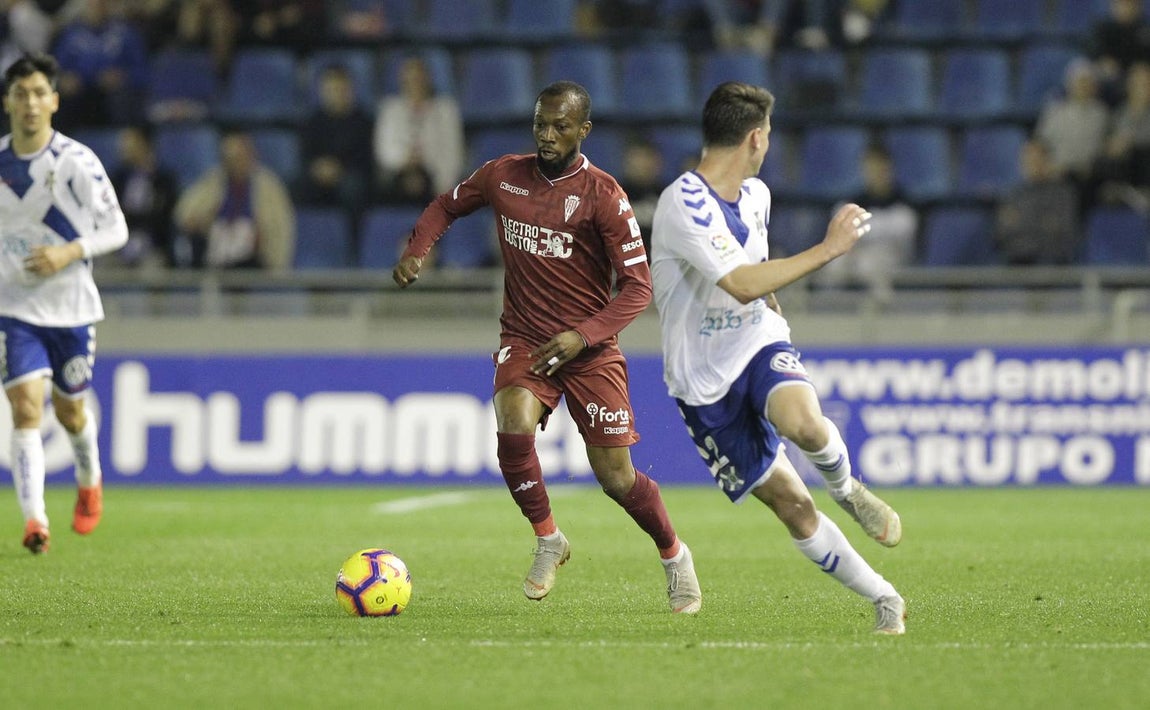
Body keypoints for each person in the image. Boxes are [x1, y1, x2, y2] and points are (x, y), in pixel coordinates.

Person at [392, 81, 702, 613]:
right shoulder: (502, 175)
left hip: (590, 349)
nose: (548, 135)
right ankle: (548, 538)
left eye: (561, 126)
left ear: (584, 130)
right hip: (527, 339)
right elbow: (447, 205)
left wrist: (583, 335)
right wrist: (417, 251)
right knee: (511, 417)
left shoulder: (604, 195)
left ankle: (674, 555)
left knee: (615, 477)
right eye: (541, 123)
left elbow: (639, 287)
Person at [649, 81, 905, 633]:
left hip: (756, 341)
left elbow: (754, 276)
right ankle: (885, 598)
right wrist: (828, 249)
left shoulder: (756, 195)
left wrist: (774, 308)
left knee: (806, 425)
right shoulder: (683, 203)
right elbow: (740, 280)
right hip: (701, 383)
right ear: (756, 136)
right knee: (792, 506)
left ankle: (848, 490)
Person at [0, 53, 128, 554]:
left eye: (39, 93)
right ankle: (36, 522)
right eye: (20, 94)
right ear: (8, 102)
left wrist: (67, 252)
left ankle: (89, 479)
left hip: (72, 309)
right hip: (14, 309)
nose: (30, 103)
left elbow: (116, 229)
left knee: (70, 412)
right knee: (25, 409)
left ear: (54, 100)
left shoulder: (76, 163)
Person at [173, 129, 296, 271]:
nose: (235, 164)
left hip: (252, 258)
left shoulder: (269, 185)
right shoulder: (212, 180)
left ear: (251, 156)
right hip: (214, 250)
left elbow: (280, 228)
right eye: (229, 159)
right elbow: (184, 214)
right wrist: (200, 221)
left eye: (239, 158)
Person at [814, 143, 917, 291]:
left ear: (889, 169)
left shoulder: (904, 206)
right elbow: (839, 233)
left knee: (869, 264)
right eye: (871, 168)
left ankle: (882, 310)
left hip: (892, 259)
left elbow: (903, 236)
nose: (876, 174)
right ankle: (827, 308)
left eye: (880, 168)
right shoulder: (851, 203)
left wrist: (861, 232)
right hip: (855, 254)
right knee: (836, 262)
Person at [373, 55, 464, 203]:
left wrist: (441, 186)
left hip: (434, 179)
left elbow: (453, 153)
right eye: (410, 78)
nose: (414, 82)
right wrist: (405, 160)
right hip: (399, 177)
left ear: (428, 78)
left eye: (418, 77)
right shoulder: (390, 109)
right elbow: (383, 151)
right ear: (402, 80)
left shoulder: (446, 110)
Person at [298, 63, 374, 221]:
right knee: (297, 186)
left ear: (350, 89)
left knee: (353, 188)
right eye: (330, 89)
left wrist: (340, 169)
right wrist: (318, 168)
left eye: (340, 89)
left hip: (350, 176)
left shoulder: (363, 121)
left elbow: (366, 159)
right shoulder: (313, 121)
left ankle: (353, 241)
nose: (335, 94)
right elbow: (306, 155)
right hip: (319, 176)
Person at [995, 138, 1081, 265]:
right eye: (1027, 160)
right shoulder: (1014, 194)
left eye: (1036, 160)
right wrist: (1040, 224)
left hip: (1051, 264)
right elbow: (1000, 234)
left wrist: (1020, 224)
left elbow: (1063, 235)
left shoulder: (1063, 194)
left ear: (1047, 161)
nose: (1031, 164)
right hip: (1016, 261)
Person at [110, 124, 180, 268]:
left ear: (143, 143)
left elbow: (162, 219)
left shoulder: (164, 180)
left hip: (152, 247)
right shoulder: (120, 179)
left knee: (154, 268)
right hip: (120, 244)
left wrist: (131, 217)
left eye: (129, 141)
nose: (123, 146)